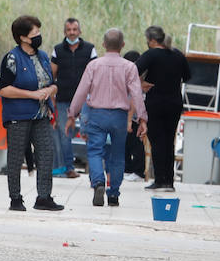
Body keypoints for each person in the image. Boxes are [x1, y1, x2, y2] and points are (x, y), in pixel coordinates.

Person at [67, 28, 147, 208]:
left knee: (95, 151)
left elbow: (81, 92)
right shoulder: (129, 67)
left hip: (97, 115)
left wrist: (72, 114)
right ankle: (113, 195)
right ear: (123, 45)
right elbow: (136, 94)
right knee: (118, 156)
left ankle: (98, 183)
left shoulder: (93, 65)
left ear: (103, 45)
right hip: (119, 116)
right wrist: (142, 119)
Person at [0, 15, 64, 211]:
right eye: (34, 33)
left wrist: (50, 90)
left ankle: (44, 197)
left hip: (42, 114)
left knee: (46, 153)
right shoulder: (12, 58)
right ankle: (15, 199)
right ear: (23, 37)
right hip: (18, 116)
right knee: (16, 157)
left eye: (39, 32)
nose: (38, 36)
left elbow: (53, 83)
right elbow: (3, 89)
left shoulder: (43, 56)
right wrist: (32, 95)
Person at [136, 25, 192, 191]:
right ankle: (170, 181)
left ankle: (160, 180)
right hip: (174, 102)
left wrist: (141, 83)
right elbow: (187, 76)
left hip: (156, 102)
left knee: (157, 140)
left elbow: (132, 70)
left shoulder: (151, 54)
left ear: (152, 40)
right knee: (169, 141)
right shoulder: (178, 55)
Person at [51, 18, 95, 179]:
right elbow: (52, 75)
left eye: (75, 29)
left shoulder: (90, 49)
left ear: (80, 31)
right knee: (65, 134)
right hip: (63, 99)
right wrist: (52, 97)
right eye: (69, 30)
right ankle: (68, 168)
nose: (72, 32)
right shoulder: (57, 50)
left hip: (85, 100)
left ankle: (95, 171)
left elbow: (95, 74)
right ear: (65, 32)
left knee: (90, 133)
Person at [122, 49, 146, 180]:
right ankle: (128, 169)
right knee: (126, 142)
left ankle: (138, 171)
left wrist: (130, 119)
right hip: (130, 116)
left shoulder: (135, 78)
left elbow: (133, 100)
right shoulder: (130, 78)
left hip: (134, 117)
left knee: (136, 143)